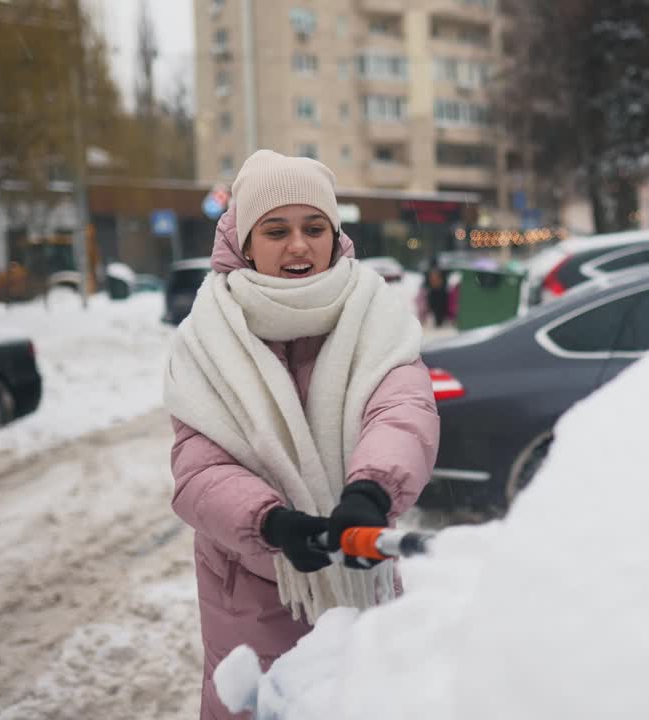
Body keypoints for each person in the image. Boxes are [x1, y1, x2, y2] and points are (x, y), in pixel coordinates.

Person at [164, 150, 440, 720]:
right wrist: (269, 522)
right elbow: (199, 467)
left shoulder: (374, 315)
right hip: (250, 582)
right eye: (277, 230)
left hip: (359, 558)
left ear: (335, 236)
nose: (298, 245)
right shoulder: (205, 337)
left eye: (315, 228)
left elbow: (402, 411)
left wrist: (371, 491)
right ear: (245, 242)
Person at [425, 257, 450, 328]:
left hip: (433, 292)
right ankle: (439, 321)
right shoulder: (441, 270)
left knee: (435, 308)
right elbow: (445, 280)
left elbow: (427, 282)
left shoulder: (430, 271)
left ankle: (438, 321)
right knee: (441, 308)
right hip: (441, 292)